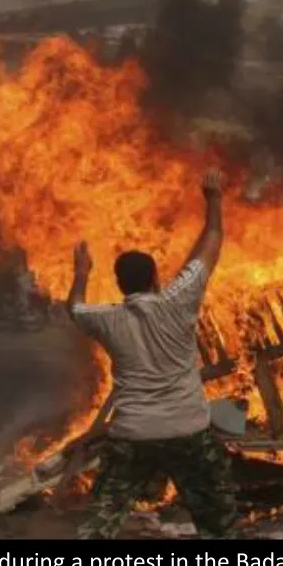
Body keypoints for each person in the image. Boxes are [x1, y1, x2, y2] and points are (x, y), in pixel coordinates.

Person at [68, 170, 237, 540]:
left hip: (133, 434)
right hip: (188, 430)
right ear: (156, 278)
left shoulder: (107, 319)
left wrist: (80, 273)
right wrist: (212, 197)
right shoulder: (179, 301)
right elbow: (213, 239)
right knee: (219, 521)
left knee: (101, 521)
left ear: (119, 285)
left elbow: (76, 309)